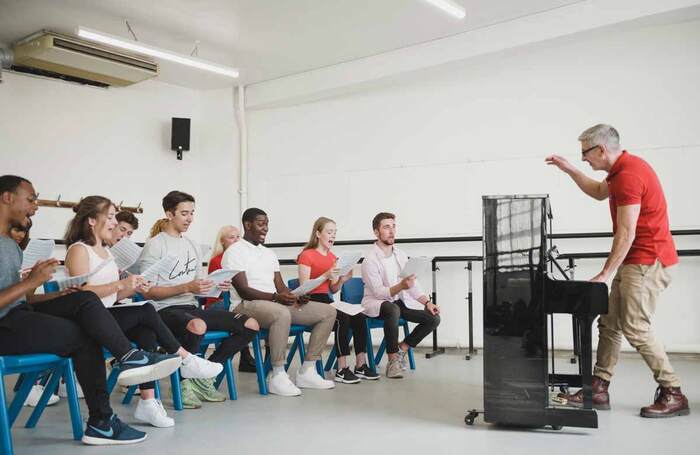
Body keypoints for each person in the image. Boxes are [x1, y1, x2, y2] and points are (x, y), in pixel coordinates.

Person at [0, 175, 181, 446]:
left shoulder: (10, 245)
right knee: (87, 333)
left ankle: (127, 364)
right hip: (6, 328)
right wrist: (31, 282)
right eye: (31, 199)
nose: (35, 206)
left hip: (19, 316)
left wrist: (58, 295)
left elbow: (20, 302)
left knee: (85, 299)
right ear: (7, 198)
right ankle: (103, 419)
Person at [547, 124, 689, 418]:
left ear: (601, 149)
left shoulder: (629, 175)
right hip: (635, 259)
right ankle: (598, 389)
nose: (584, 158)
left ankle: (673, 392)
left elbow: (626, 233)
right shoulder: (620, 172)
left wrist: (605, 273)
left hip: (648, 260)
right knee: (609, 323)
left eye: (585, 153)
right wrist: (569, 169)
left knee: (635, 327)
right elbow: (599, 192)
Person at [64, 196, 224, 427]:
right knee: (147, 310)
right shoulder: (79, 250)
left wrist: (131, 287)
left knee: (146, 332)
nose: (113, 223)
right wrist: (121, 285)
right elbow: (83, 297)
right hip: (90, 321)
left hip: (108, 314)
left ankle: (148, 404)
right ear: (91, 221)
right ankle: (186, 358)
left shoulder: (106, 252)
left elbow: (112, 296)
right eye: (110, 218)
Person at [138, 191, 259, 409]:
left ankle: (202, 378)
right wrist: (186, 287)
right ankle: (185, 385)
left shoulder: (192, 245)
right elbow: (147, 292)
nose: (189, 218)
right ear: (169, 213)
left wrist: (212, 286)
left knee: (250, 324)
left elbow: (197, 288)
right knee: (197, 325)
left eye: (192, 213)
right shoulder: (155, 245)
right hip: (163, 310)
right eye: (184, 213)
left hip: (191, 306)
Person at [224, 208, 337, 396]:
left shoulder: (269, 253)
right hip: (244, 305)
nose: (265, 228)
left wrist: (296, 296)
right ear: (247, 224)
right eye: (261, 223)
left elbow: (281, 287)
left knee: (328, 312)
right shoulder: (235, 251)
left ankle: (307, 370)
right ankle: (277, 375)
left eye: (267, 224)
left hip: (272, 304)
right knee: (281, 313)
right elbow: (244, 291)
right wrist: (277, 298)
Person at [297, 217, 379, 383]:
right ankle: (341, 368)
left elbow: (332, 289)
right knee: (343, 318)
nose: (333, 235)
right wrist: (325, 275)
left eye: (335, 232)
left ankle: (360, 365)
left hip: (327, 300)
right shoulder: (306, 255)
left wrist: (342, 280)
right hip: (310, 302)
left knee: (360, 316)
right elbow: (304, 287)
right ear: (318, 234)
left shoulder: (333, 257)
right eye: (329, 232)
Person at [361, 212, 440, 379]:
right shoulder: (370, 260)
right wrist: (401, 286)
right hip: (377, 303)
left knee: (433, 318)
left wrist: (427, 303)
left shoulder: (400, 255)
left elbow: (413, 285)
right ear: (376, 232)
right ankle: (392, 361)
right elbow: (379, 293)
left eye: (393, 226)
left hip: (397, 303)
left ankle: (401, 348)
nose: (392, 231)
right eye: (386, 227)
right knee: (393, 309)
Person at [207, 225, 258, 373]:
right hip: (218, 302)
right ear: (222, 242)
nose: (236, 240)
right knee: (244, 314)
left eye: (238, 237)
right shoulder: (218, 260)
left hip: (233, 300)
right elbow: (215, 290)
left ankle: (249, 357)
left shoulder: (243, 258)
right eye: (231, 237)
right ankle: (246, 357)